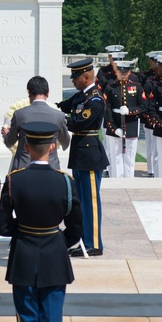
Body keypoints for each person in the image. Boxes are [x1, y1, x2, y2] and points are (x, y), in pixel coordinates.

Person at [0, 122, 82, 322]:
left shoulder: (14, 180)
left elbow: (3, 227)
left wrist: (26, 231)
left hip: (24, 259)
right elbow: (76, 229)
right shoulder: (65, 182)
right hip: (55, 260)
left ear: (27, 147)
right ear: (53, 147)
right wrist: (56, 241)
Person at [59, 58, 108, 256]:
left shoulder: (94, 99)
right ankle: (83, 240)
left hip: (89, 155)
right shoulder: (81, 96)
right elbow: (64, 106)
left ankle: (94, 244)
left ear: (87, 77)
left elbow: (78, 123)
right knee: (80, 201)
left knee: (91, 202)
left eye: (76, 77)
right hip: (80, 154)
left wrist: (61, 119)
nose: (73, 81)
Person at [2, 75, 70, 173]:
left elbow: (9, 142)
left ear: (29, 92)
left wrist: (6, 134)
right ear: (47, 93)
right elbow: (65, 143)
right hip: (51, 167)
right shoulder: (59, 116)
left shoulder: (19, 114)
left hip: (23, 167)